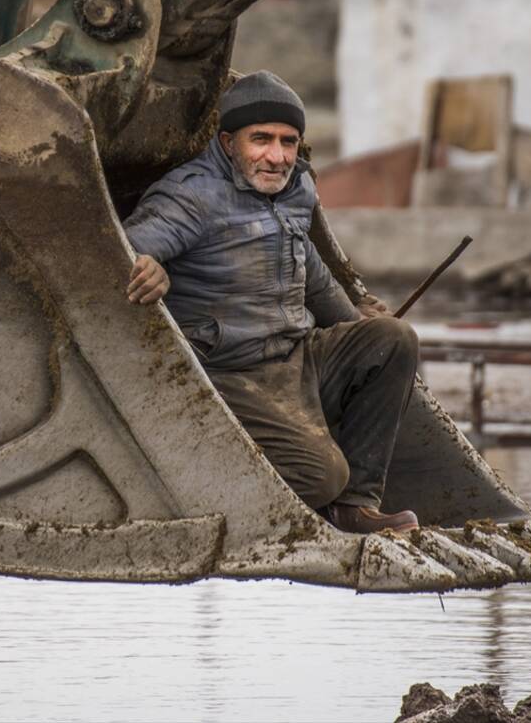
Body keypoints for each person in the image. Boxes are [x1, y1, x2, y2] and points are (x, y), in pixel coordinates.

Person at [122, 70, 421, 534]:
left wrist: (354, 321)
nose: (276, 156)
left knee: (392, 338)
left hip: (295, 358)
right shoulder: (192, 196)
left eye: (288, 141)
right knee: (323, 476)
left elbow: (313, 276)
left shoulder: (297, 188)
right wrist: (150, 268)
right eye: (260, 139)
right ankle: (237, 492)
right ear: (227, 142)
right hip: (229, 375)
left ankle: (355, 506)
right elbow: (121, 250)